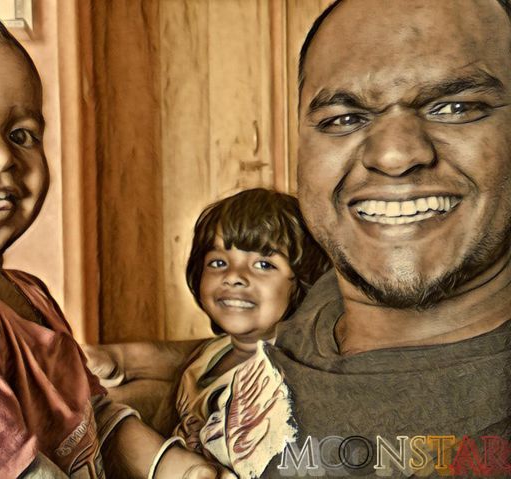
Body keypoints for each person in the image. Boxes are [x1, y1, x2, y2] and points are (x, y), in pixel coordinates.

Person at [89, 0, 511, 477]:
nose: (393, 155)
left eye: (456, 108)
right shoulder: (328, 289)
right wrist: (144, 363)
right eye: (343, 118)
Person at [0, 3, 235, 478]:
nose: (0, 154)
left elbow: (90, 421)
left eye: (21, 134)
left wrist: (176, 467)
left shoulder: (29, 293)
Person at [172, 189, 328, 473]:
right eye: (218, 262)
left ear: (303, 283)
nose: (233, 277)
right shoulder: (212, 353)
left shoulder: (282, 378)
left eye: (264, 265)